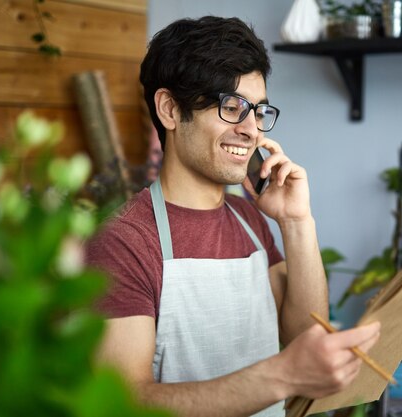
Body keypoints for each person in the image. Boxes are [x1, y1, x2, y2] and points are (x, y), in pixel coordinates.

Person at [86, 16, 381, 417]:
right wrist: (279, 377)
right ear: (170, 110)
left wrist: (297, 223)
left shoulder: (250, 220)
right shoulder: (124, 241)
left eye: (258, 111)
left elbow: (304, 340)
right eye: (231, 107)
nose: (251, 130)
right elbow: (124, 403)